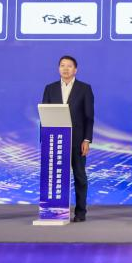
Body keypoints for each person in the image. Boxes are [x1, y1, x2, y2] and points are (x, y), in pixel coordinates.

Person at [41, 55, 94, 222]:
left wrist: (87, 140)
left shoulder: (84, 88)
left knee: (79, 176)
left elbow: (89, 117)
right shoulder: (50, 88)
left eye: (69, 66)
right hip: (54, 141)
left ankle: (80, 212)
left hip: (77, 141)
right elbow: (44, 115)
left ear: (75, 70)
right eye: (62, 65)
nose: (65, 69)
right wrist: (44, 140)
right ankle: (55, 209)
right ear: (58, 69)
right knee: (54, 177)